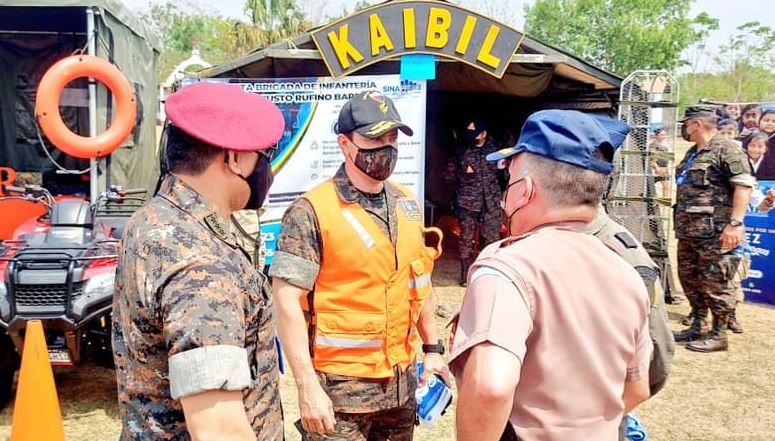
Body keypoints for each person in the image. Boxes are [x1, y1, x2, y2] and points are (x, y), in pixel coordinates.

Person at [450, 110, 652, 441]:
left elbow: (490, 386)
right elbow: (638, 387)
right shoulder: (625, 272)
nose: (505, 195)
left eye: (509, 181)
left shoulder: (508, 268)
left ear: (526, 190)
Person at [270, 90, 449, 441]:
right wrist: (306, 387)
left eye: (392, 137)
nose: (387, 147)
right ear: (344, 143)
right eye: (374, 138)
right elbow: (287, 301)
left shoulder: (407, 204)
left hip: (400, 391)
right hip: (339, 396)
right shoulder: (312, 211)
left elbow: (420, 280)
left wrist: (433, 350)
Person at [112, 82, 284, 440]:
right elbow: (219, 427)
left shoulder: (155, 219)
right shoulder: (200, 262)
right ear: (234, 158)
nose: (267, 167)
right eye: (264, 154)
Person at [672, 105, 755, 352]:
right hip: (689, 231)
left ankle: (719, 335)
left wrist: (735, 223)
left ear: (697, 124)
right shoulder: (693, 153)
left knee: (716, 282)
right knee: (690, 278)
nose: (684, 129)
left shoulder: (726, 149)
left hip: (716, 232)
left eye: (686, 124)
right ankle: (698, 325)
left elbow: (743, 186)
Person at [451, 118, 502, 286]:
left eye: (475, 133)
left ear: (484, 134)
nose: (471, 137)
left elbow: (504, 172)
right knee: (465, 239)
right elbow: (449, 174)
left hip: (491, 202)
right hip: (467, 202)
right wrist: (463, 178)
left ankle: (490, 273)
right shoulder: (461, 150)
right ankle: (466, 275)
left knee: (492, 240)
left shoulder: (495, 150)